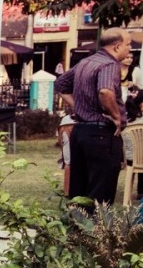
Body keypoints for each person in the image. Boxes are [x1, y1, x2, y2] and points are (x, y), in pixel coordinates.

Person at [55, 27, 133, 205]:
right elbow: (105, 91)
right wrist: (116, 117)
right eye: (128, 45)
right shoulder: (109, 64)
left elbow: (60, 84)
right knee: (101, 189)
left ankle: (78, 228)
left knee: (80, 188)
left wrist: (80, 106)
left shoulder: (86, 62)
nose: (129, 49)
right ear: (116, 46)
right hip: (101, 133)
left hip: (80, 132)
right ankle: (97, 230)